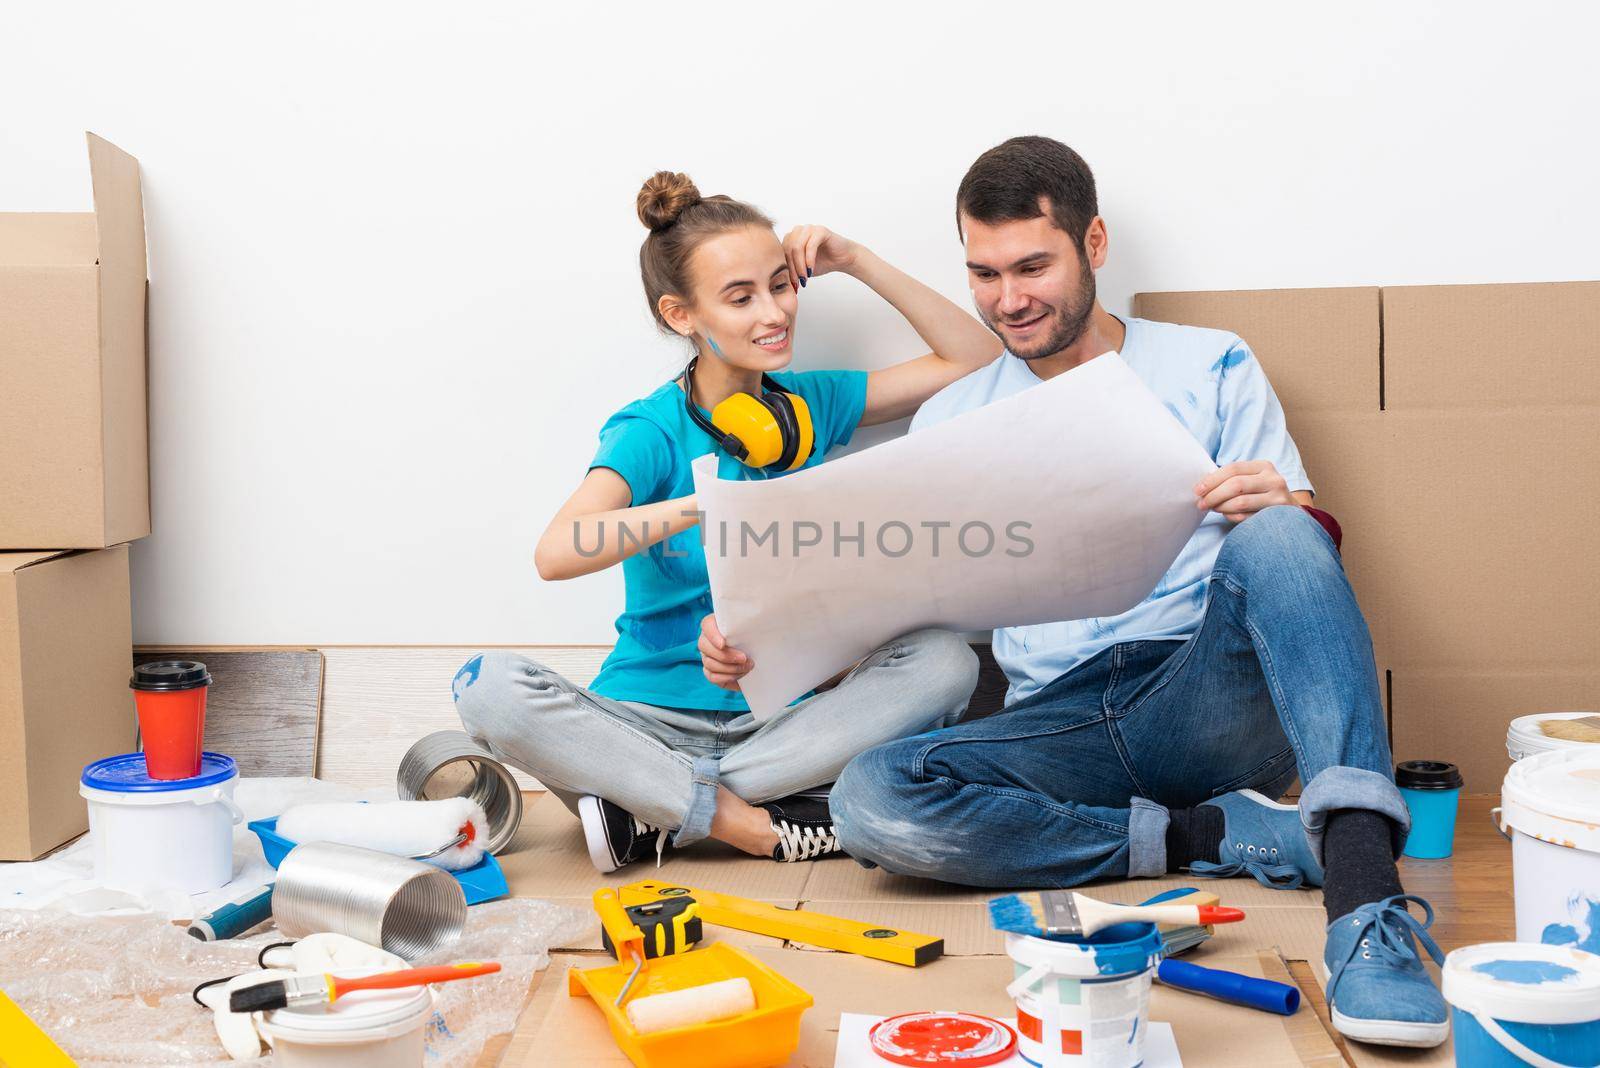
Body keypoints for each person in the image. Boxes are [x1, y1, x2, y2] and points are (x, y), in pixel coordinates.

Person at [819, 137, 1449, 1049]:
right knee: (871, 796)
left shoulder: (1212, 363)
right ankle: (1204, 837)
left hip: (1200, 694)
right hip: (1057, 722)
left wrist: (1288, 506)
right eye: (984, 274)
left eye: (1033, 265)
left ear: (1094, 244)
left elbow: (1299, 557)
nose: (1009, 299)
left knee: (1283, 530)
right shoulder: (951, 417)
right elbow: (912, 606)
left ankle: (1364, 899)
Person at [452, 171, 994, 874]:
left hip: (783, 723)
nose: (774, 312)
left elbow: (976, 360)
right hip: (643, 725)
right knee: (485, 685)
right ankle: (749, 823)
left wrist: (855, 259)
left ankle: (652, 811)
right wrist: (701, 506)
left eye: (782, 285)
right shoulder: (650, 429)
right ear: (683, 316)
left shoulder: (806, 407)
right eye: (741, 298)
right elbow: (557, 552)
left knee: (949, 662)